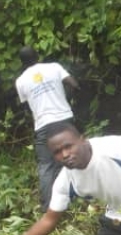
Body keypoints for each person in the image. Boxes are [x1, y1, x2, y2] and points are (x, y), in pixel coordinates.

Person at [15, 46, 80, 210]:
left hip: (43, 124)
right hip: (64, 118)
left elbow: (26, 104)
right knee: (71, 158)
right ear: (37, 56)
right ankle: (74, 198)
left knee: (46, 165)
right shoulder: (54, 67)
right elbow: (74, 84)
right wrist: (66, 99)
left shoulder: (21, 81)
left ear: (21, 62)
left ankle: (47, 208)